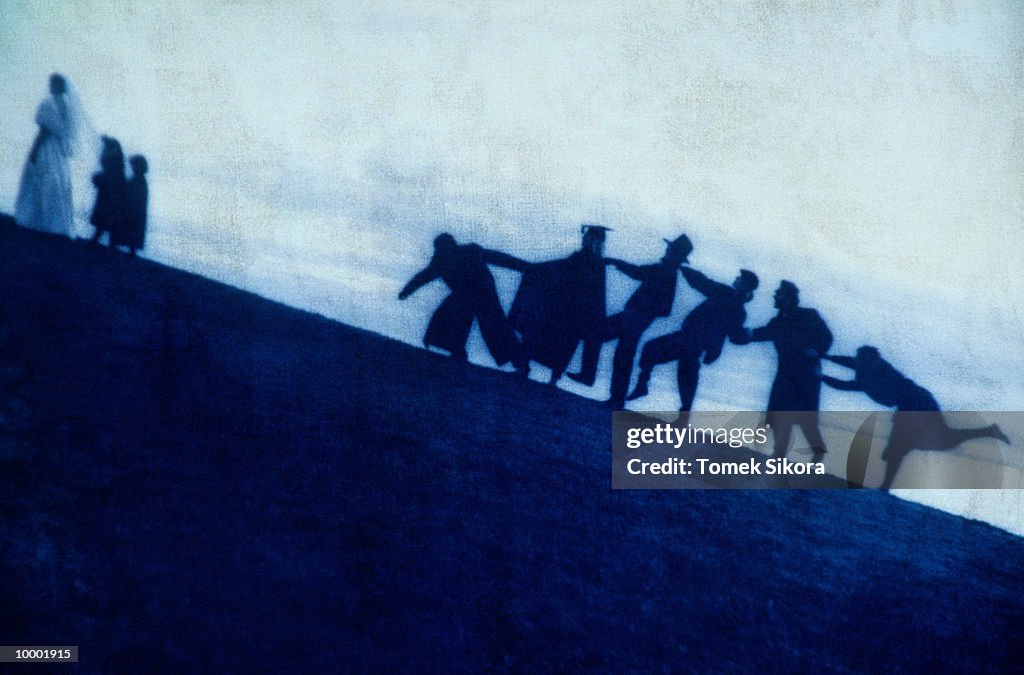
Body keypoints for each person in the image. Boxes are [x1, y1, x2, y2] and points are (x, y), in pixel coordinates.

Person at [822, 346, 1009, 489]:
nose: (857, 363)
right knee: (907, 446)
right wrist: (824, 358)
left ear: (869, 363)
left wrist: (819, 374)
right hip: (912, 406)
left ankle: (886, 485)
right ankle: (988, 431)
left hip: (918, 405)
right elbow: (848, 366)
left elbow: (844, 383)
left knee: (925, 443)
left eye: (862, 362)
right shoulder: (869, 371)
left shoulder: (874, 375)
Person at [567, 234, 693, 408]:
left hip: (633, 317)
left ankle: (590, 377)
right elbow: (663, 307)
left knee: (595, 334)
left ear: (674, 253)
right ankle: (615, 399)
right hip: (637, 319)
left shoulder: (665, 270)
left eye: (670, 249)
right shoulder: (668, 271)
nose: (667, 250)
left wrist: (616, 263)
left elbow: (638, 273)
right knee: (622, 357)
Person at [627, 268, 758, 412]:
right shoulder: (735, 306)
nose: (737, 278)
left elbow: (703, 283)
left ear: (744, 285)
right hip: (693, 341)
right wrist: (745, 336)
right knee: (685, 374)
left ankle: (643, 386)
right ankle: (648, 389)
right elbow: (735, 336)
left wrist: (686, 270)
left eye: (740, 278)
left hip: (691, 340)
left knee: (658, 353)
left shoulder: (727, 297)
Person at [399, 233, 530, 372]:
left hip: (483, 293)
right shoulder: (442, 261)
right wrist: (406, 291)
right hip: (467, 293)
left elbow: (498, 258)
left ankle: (521, 362)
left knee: (496, 327)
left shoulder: (466, 252)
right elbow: (422, 277)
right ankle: (458, 352)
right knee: (452, 317)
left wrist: (525, 266)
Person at [509, 225, 610, 384]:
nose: (584, 239)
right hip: (571, 310)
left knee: (544, 334)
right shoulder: (595, 264)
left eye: (587, 237)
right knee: (561, 342)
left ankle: (529, 369)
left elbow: (558, 268)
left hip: (565, 308)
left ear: (591, 239)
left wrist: (534, 269)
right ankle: (550, 378)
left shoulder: (587, 261)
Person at [745, 280, 832, 460]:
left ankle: (818, 451)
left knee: (805, 418)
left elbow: (826, 337)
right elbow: (761, 333)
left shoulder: (809, 315)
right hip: (786, 375)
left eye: (779, 293)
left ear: (789, 297)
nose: (775, 296)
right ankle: (779, 454)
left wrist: (816, 350)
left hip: (807, 375)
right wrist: (745, 334)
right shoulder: (778, 322)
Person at [14, 74, 83, 237]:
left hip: (47, 147)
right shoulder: (68, 106)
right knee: (57, 183)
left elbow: (44, 131)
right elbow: (67, 132)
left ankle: (35, 219)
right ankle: (55, 222)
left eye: (51, 83)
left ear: (55, 85)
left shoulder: (49, 103)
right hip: (59, 150)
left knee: (40, 180)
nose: (49, 86)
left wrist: (34, 151)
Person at [88, 136, 127, 247]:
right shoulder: (116, 155)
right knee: (108, 215)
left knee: (106, 215)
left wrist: (99, 179)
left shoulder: (112, 156)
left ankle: (98, 239)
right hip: (111, 189)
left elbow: (110, 172)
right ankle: (104, 241)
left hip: (110, 190)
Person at [123, 154, 149, 256]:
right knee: (134, 229)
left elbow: (132, 193)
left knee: (132, 228)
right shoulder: (140, 179)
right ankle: (132, 250)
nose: (132, 167)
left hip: (134, 210)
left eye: (133, 165)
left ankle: (132, 251)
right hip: (137, 210)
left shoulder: (138, 179)